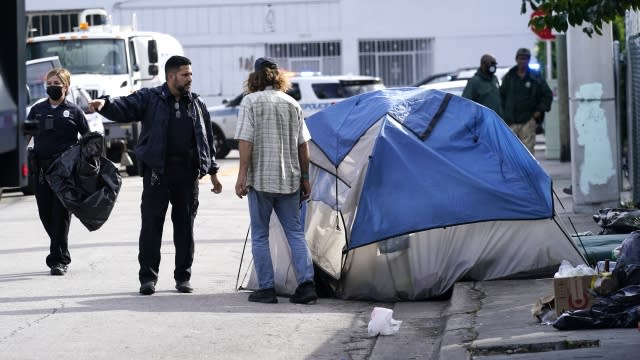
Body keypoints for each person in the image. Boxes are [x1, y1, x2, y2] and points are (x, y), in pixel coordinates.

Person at [89, 55, 223, 295]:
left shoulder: (197, 104)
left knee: (184, 227)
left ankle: (183, 277)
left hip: (187, 175)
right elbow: (125, 105)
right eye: (185, 74)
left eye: (190, 74)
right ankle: (148, 278)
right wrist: (105, 105)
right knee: (151, 226)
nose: (190, 79)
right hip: (157, 174)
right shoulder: (151, 98)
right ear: (171, 77)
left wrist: (212, 171)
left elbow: (207, 140)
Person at [234, 57, 317, 305]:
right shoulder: (292, 103)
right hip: (289, 179)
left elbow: (245, 141)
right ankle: (307, 285)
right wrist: (305, 179)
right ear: (278, 77)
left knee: (260, 235)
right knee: (295, 232)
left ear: (255, 78)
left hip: (260, 179)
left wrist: (241, 176)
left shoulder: (250, 102)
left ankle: (267, 289)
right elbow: (304, 147)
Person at [27, 67, 90, 276]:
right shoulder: (36, 110)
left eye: (57, 84)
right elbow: (24, 138)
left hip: (65, 172)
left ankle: (59, 260)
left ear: (66, 86)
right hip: (42, 171)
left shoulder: (74, 112)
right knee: (45, 214)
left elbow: (88, 139)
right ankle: (59, 249)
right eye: (50, 83)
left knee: (61, 215)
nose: (52, 87)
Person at [500, 48, 553, 156]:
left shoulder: (535, 77)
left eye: (525, 59)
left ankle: (528, 173)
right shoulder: (509, 77)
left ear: (528, 60)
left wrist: (539, 111)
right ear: (516, 59)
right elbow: (501, 96)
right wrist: (503, 115)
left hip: (528, 121)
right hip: (511, 122)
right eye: (520, 58)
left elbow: (547, 95)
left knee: (528, 153)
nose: (522, 61)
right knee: (511, 153)